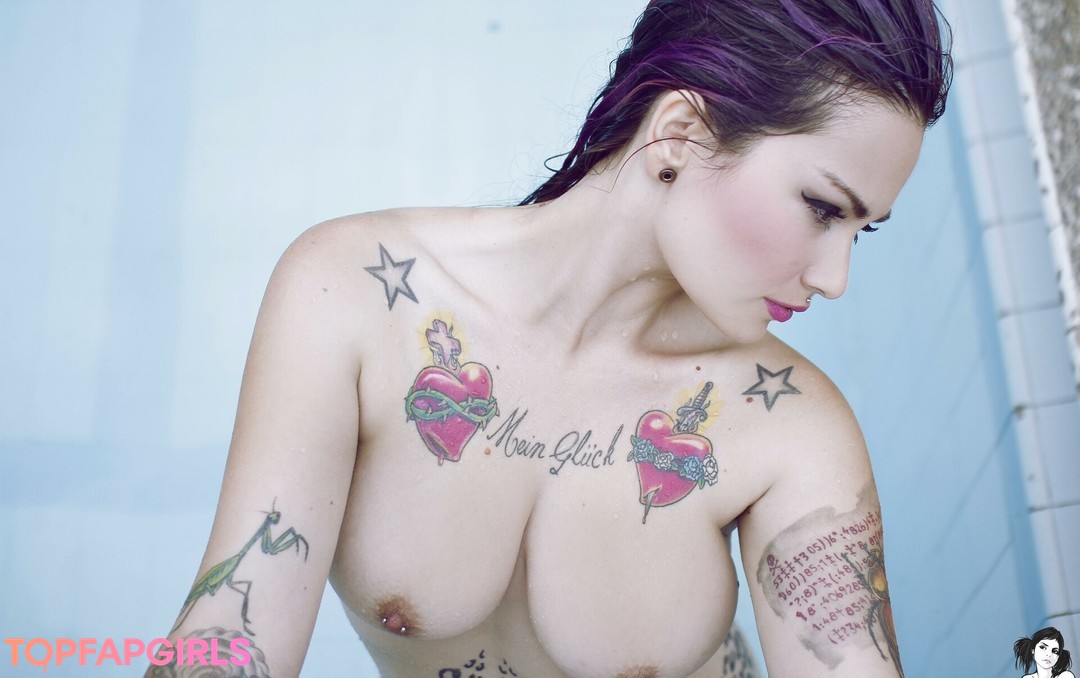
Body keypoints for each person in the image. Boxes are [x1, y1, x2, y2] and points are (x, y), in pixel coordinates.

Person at [149, 1, 951, 676]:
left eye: (864, 229)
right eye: (822, 208)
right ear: (680, 134)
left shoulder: (792, 427)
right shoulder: (353, 297)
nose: (835, 278)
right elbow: (234, 626)